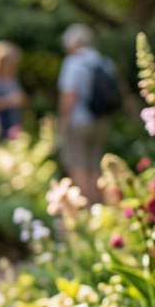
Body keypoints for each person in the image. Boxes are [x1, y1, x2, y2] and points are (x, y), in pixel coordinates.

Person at [57, 23, 112, 204]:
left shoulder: (73, 62)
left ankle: (85, 207)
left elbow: (69, 95)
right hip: (101, 120)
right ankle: (98, 205)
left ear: (72, 44)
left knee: (78, 164)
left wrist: (63, 123)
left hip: (78, 121)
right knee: (95, 165)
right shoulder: (104, 62)